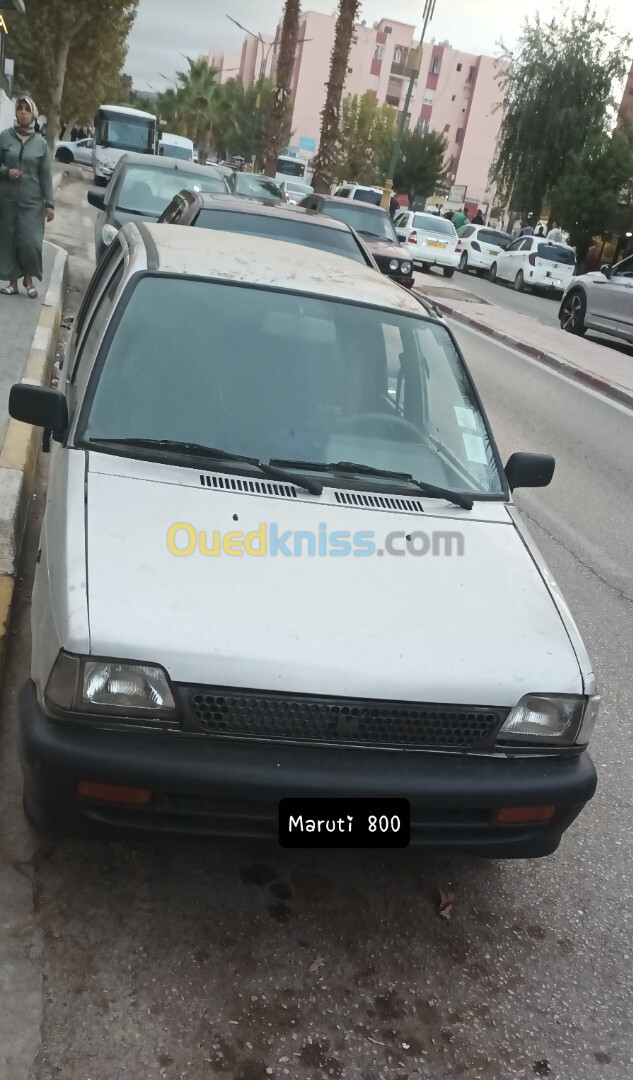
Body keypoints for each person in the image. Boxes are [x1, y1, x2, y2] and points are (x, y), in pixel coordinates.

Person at [0, 96, 55, 299]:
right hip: (6, 201)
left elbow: (46, 175)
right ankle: (13, 283)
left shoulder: (40, 144)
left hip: (32, 203)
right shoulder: (4, 137)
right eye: (19, 108)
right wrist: (7, 172)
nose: (22, 112)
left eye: (26, 109)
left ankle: (28, 279)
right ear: (15, 113)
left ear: (33, 115)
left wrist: (49, 204)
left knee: (30, 242)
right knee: (9, 241)